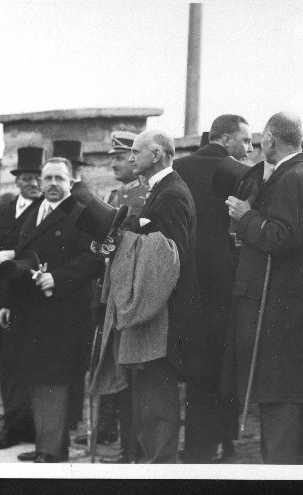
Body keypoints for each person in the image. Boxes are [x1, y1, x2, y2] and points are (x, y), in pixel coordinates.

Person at [223, 112, 303, 464]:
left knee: (280, 413)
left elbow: (283, 236)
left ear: (270, 139)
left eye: (262, 140)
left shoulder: (291, 177)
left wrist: (246, 217)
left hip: (282, 314)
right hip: (289, 312)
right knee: (279, 409)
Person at [0, 158, 101, 463]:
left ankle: (52, 449)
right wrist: (8, 301)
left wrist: (58, 277)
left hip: (64, 312)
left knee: (54, 380)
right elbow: (24, 257)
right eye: (48, 178)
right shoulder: (35, 213)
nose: (53, 184)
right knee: (37, 379)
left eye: (60, 178)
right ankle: (46, 442)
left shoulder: (83, 214)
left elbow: (95, 258)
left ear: (71, 182)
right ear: (40, 183)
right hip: (33, 312)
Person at [173, 114, 252, 463]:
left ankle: (196, 446)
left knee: (195, 366)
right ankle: (223, 441)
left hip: (183, 277)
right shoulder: (237, 171)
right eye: (245, 141)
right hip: (223, 280)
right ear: (224, 138)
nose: (248, 149)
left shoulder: (179, 167)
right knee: (223, 362)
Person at [125, 129, 203, 463]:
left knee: (157, 392)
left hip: (163, 311)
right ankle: (154, 462)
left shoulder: (170, 193)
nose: (130, 158)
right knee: (150, 390)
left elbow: (171, 257)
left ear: (156, 154)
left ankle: (160, 467)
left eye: (135, 152)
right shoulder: (163, 190)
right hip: (159, 309)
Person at [0, 148, 44, 453]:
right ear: (17, 181)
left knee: (25, 362)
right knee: (4, 361)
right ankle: (13, 424)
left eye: (36, 178)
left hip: (27, 296)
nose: (33, 183)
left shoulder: (45, 211)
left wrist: (9, 256)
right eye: (27, 178)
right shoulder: (5, 212)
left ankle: (25, 425)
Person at [87, 130, 148, 463]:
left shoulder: (143, 196)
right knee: (114, 370)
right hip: (109, 289)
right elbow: (106, 245)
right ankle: (124, 444)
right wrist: (99, 247)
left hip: (129, 292)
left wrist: (107, 247)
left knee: (131, 374)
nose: (113, 162)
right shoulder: (115, 195)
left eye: (119, 156)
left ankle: (133, 447)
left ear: (134, 159)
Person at [51, 139, 103, 429]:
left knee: (70, 363)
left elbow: (90, 252)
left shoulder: (81, 200)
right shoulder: (75, 197)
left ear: (73, 172)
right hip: (65, 290)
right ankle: (67, 422)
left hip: (72, 291)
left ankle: (69, 422)